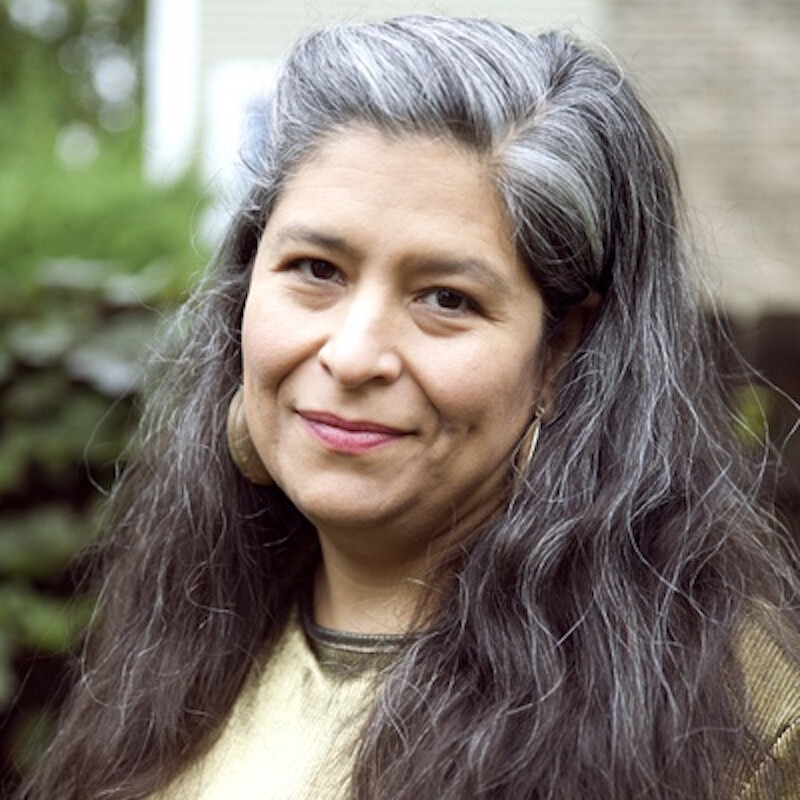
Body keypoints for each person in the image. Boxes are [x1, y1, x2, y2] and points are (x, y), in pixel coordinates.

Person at [17, 15, 800, 800]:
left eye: (446, 298)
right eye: (316, 269)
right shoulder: (178, 653)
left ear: (562, 350)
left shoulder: (719, 717)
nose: (353, 355)